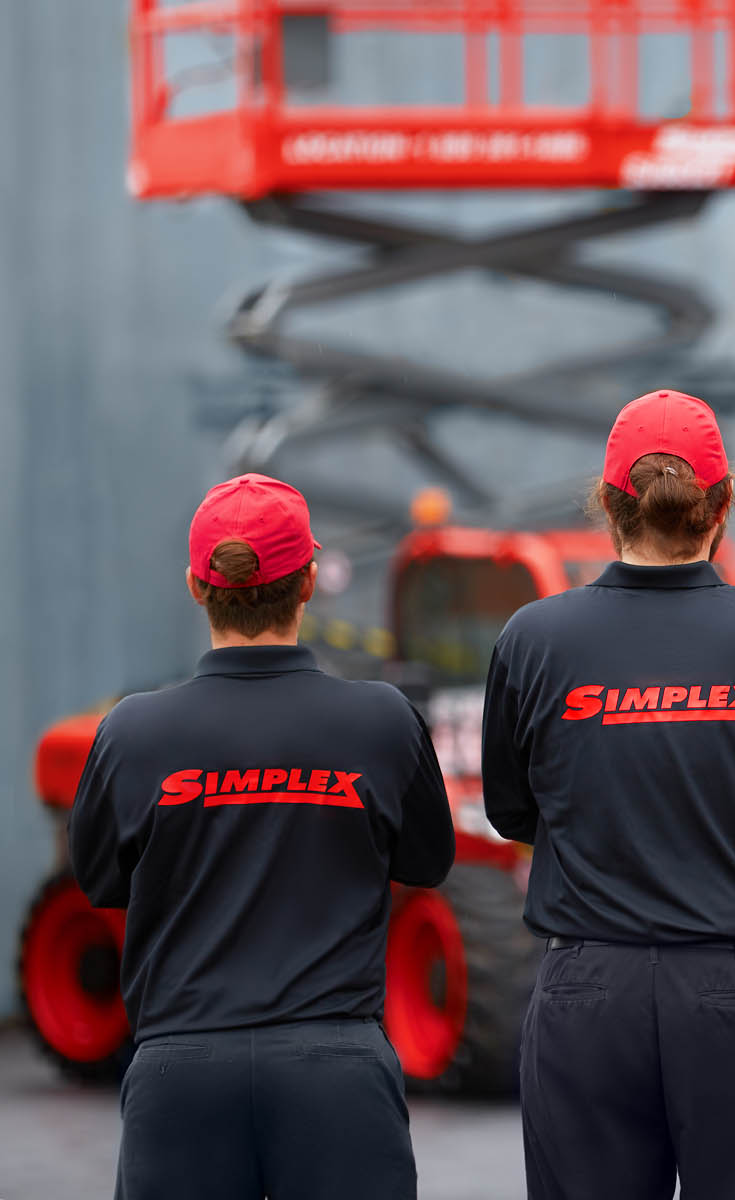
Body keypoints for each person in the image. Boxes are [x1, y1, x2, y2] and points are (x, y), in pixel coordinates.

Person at [481, 388, 735, 1200]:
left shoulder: (535, 639)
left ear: (609, 504)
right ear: (721, 504)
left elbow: (512, 810)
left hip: (589, 991)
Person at [69, 473, 456, 1200]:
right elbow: (428, 862)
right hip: (337, 1071)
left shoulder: (131, 731)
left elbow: (99, 881)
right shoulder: (381, 719)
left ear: (195, 585)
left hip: (179, 1073)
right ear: (310, 581)